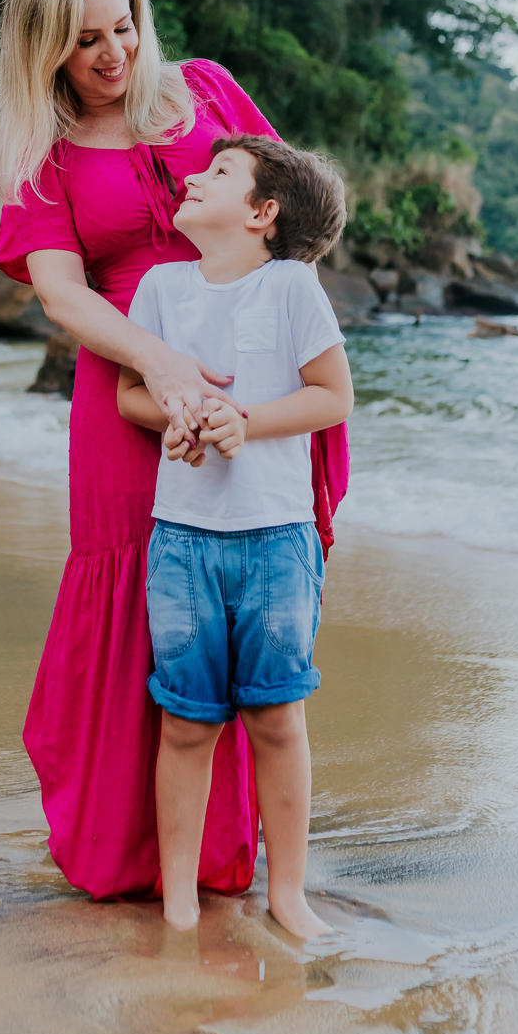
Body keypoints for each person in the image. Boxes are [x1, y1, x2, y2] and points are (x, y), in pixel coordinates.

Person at [0, 0, 350, 901]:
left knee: (252, 600)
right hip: (128, 394)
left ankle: (239, 857)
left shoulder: (210, 89)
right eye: (85, 40)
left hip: (253, 388)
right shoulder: (43, 157)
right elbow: (63, 296)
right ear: (46, 50)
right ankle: (135, 857)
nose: (114, 53)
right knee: (146, 612)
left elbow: (294, 219)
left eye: (126, 25)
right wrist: (158, 357)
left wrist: (277, 362)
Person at [116, 135, 353, 936]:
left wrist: (243, 422)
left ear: (262, 212)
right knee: (186, 721)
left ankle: (287, 891)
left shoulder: (291, 287)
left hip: (276, 538)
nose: (192, 175)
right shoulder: (160, 286)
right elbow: (129, 397)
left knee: (278, 717)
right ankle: (179, 898)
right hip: (181, 538)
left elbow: (332, 396)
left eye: (218, 172)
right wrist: (178, 414)